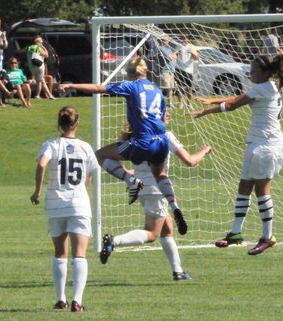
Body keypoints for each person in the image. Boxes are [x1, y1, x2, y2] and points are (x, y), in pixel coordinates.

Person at [59, 57, 188, 236]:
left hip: (143, 142)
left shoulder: (131, 86)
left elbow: (98, 88)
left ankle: (130, 179)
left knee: (99, 155)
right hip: (161, 141)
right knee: (160, 174)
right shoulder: (157, 90)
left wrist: (72, 85)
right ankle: (175, 207)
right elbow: (161, 116)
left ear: (130, 73)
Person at [187, 54, 283, 255]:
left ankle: (268, 237)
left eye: (254, 71)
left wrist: (206, 111)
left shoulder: (264, 88)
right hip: (258, 144)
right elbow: (240, 97)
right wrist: (212, 99)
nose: (250, 74)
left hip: (266, 146)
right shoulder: (267, 87)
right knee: (244, 185)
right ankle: (235, 232)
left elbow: (234, 104)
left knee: (262, 190)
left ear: (265, 73)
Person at [100, 111, 211, 280]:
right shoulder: (166, 136)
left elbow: (102, 155)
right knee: (152, 233)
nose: (168, 114)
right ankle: (114, 241)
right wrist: (204, 150)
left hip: (142, 188)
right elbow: (190, 161)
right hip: (158, 189)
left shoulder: (137, 138)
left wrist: (127, 176)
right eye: (164, 112)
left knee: (167, 228)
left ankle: (178, 271)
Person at [30, 106, 98, 312]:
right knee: (79, 254)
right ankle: (77, 301)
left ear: (59, 123)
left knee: (60, 252)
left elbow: (42, 165)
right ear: (77, 124)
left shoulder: (51, 144)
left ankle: (61, 300)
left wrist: (37, 191)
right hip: (78, 204)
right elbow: (88, 178)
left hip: (56, 204)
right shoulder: (85, 147)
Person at [173, 36, 199, 105]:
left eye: (186, 38)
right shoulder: (178, 46)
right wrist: (178, 53)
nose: (184, 40)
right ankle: (181, 103)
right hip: (179, 68)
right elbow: (174, 55)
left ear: (188, 40)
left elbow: (196, 58)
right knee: (179, 87)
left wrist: (193, 54)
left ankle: (188, 103)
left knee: (189, 88)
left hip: (188, 70)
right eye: (183, 38)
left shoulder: (192, 47)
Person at [155, 38, 177, 108]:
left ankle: (170, 103)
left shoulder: (169, 49)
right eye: (164, 40)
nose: (167, 41)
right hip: (165, 71)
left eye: (167, 40)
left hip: (171, 71)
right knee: (163, 88)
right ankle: (156, 102)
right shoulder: (161, 49)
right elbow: (169, 58)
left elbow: (173, 57)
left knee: (170, 88)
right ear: (161, 41)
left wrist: (176, 55)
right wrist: (178, 54)